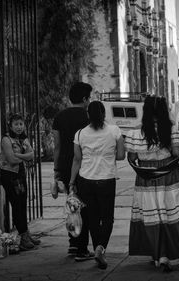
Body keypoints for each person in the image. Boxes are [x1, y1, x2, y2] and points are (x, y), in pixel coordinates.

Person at [124, 96, 179, 272]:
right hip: (169, 177)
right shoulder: (171, 129)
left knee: (153, 215)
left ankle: (158, 254)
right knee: (170, 214)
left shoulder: (136, 132)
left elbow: (133, 158)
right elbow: (177, 152)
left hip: (146, 179)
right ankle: (169, 255)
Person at [69, 100, 125, 269]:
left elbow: (77, 160)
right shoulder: (114, 131)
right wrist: (108, 155)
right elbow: (121, 155)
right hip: (106, 179)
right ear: (104, 114)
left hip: (86, 180)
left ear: (88, 115)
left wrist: (72, 181)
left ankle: (95, 249)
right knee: (107, 218)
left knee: (92, 218)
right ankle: (101, 248)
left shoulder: (79, 134)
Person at [52, 82, 93, 261]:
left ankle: (73, 243)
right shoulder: (89, 116)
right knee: (85, 208)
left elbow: (57, 146)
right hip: (85, 167)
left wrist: (56, 171)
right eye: (89, 98)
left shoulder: (60, 116)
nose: (89, 101)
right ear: (84, 99)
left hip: (66, 167)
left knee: (72, 206)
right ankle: (81, 248)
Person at [0, 113, 40, 250]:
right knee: (16, 205)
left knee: (23, 204)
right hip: (9, 175)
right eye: (16, 124)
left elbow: (32, 155)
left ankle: (26, 234)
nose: (19, 127)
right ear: (10, 126)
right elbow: (11, 160)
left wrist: (17, 155)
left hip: (20, 174)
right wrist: (24, 156)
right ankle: (22, 237)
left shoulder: (24, 139)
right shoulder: (6, 139)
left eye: (21, 124)